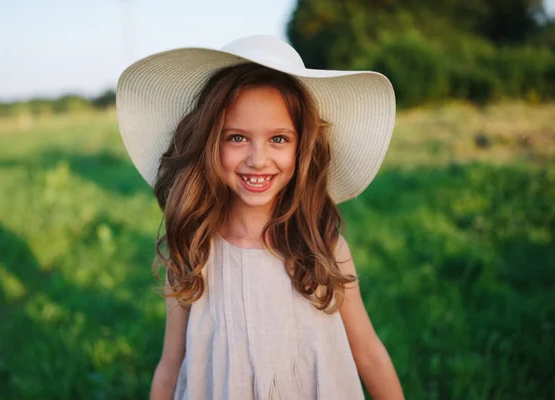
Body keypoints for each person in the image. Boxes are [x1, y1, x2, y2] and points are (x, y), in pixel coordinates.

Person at [116, 35, 404, 400]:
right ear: (209, 143)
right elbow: (171, 366)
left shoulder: (323, 248)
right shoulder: (193, 252)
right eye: (237, 137)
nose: (257, 158)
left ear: (303, 147)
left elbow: (368, 354)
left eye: (279, 139)